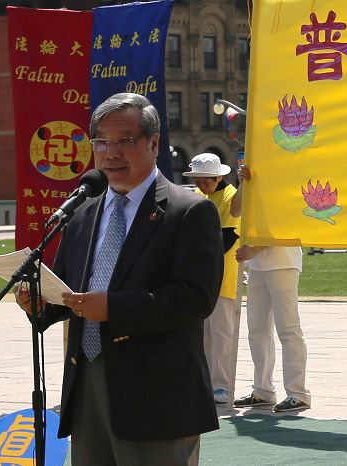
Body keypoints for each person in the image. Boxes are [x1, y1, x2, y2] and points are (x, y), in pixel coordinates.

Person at [16, 93, 224, 466]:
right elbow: (67, 289)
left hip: (156, 392)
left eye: (124, 141)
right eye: (101, 141)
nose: (110, 153)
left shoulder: (189, 211)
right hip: (87, 384)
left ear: (154, 143)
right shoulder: (82, 211)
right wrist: (40, 305)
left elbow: (195, 299)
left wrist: (113, 307)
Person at [232, 165, 311, 412]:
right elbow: (235, 210)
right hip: (257, 267)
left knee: (287, 329)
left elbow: (282, 227)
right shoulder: (254, 185)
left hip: (283, 263)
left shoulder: (286, 185)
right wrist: (243, 183)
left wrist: (253, 250)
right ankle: (263, 390)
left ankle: (298, 393)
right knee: (257, 331)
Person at [182, 153, 241, 404]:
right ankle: (204, 381)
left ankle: (222, 386)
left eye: (206, 180)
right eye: (198, 179)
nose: (202, 184)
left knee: (222, 334)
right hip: (199, 278)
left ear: (220, 176)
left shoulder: (230, 198)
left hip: (223, 277)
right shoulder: (198, 196)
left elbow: (228, 238)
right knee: (202, 333)